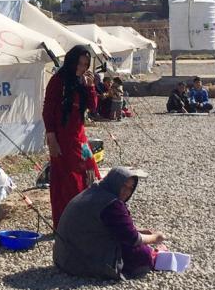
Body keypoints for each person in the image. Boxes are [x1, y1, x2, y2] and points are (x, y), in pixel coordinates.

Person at [53, 167, 166, 280]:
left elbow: (107, 225)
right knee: (142, 254)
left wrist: (136, 230)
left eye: (130, 188)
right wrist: (155, 237)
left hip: (63, 257)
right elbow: (132, 238)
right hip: (79, 262)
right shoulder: (111, 203)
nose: (126, 192)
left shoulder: (95, 190)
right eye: (123, 186)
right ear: (115, 182)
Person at [43, 45, 101, 229]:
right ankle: (66, 224)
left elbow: (93, 107)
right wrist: (51, 138)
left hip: (79, 137)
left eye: (85, 65)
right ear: (71, 61)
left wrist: (90, 87)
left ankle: (86, 218)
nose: (81, 68)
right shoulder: (58, 81)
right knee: (67, 181)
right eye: (79, 63)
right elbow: (48, 110)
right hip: (62, 138)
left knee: (89, 174)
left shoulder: (82, 82)